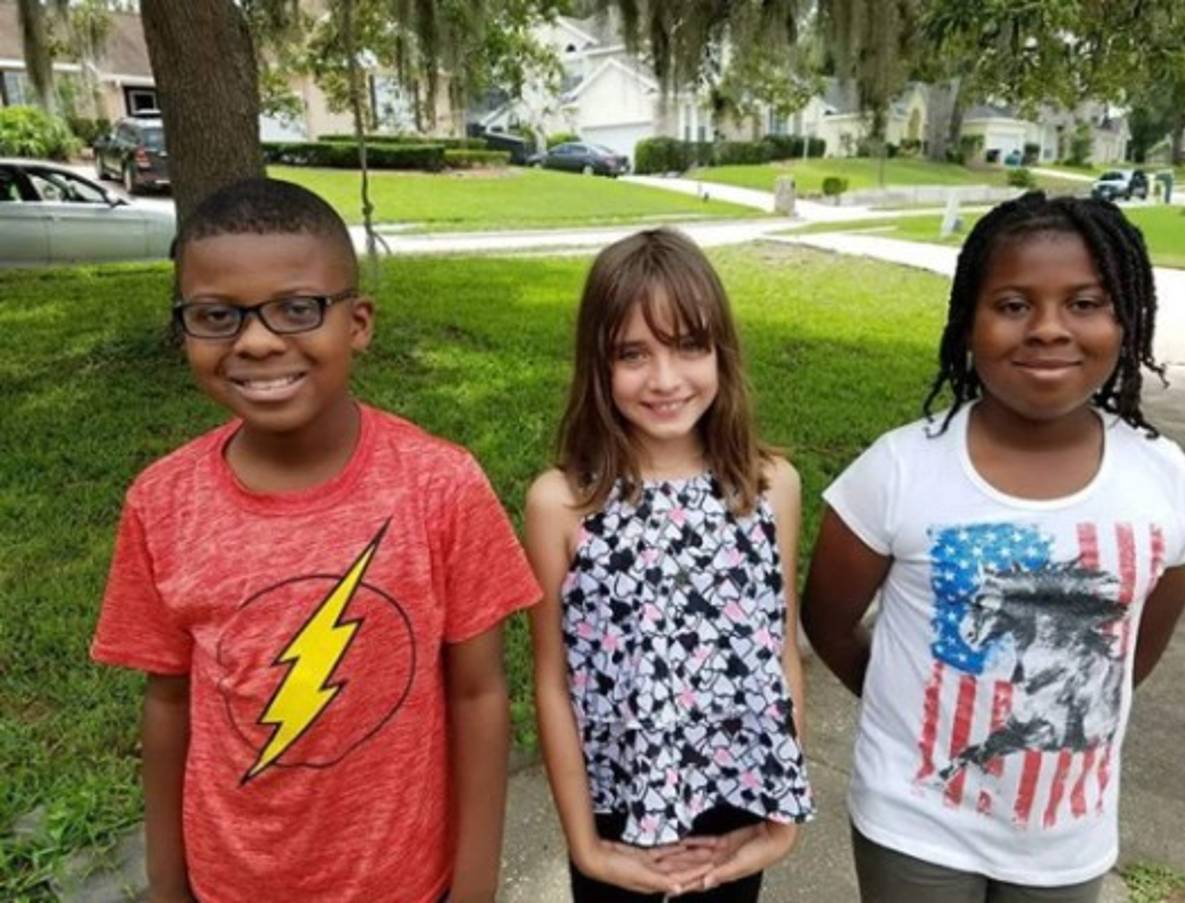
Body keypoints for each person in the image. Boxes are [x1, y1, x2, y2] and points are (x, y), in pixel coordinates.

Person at [91, 178, 539, 903]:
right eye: (216, 315)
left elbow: (480, 691)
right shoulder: (161, 501)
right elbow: (167, 702)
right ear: (185, 329)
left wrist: (476, 885)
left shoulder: (442, 485)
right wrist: (168, 885)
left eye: (298, 308)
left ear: (358, 321)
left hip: (403, 882)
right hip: (229, 881)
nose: (259, 341)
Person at [802, 191, 1185, 903]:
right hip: (914, 820)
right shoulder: (900, 469)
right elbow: (827, 620)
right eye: (1014, 305)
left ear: (1127, 317)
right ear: (969, 322)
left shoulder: (1165, 483)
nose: (1049, 329)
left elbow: (1135, 651)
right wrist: (911, 711)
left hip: (1066, 832)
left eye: (1085, 303)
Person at [525, 229, 813, 902]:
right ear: (598, 365)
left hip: (736, 808)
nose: (664, 379)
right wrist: (587, 848)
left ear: (722, 351)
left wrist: (782, 817)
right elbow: (552, 682)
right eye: (633, 353)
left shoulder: (770, 487)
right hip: (619, 816)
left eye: (689, 346)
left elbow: (782, 652)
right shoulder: (562, 503)